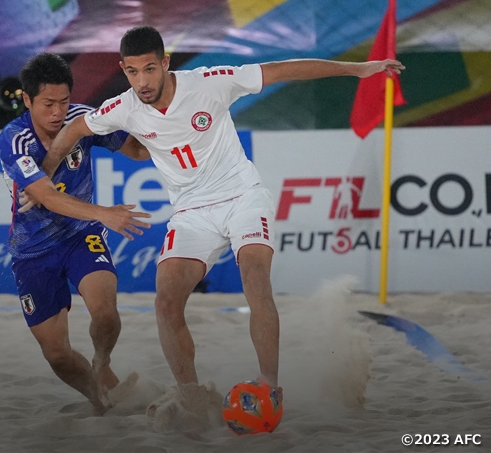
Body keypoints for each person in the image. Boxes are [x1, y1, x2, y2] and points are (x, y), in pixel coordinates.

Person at [41, 26, 405, 416]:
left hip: (242, 197)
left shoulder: (211, 83)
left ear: (165, 63)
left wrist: (358, 69)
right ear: (123, 70)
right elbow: (76, 129)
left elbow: (283, 70)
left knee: (254, 278)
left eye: (149, 69)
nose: (142, 81)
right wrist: (41, 178)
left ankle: (269, 389)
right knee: (165, 302)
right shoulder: (124, 107)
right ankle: (191, 394)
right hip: (191, 212)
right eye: (132, 72)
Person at [0, 52, 151, 415]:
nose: (57, 112)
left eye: (64, 102)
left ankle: (101, 362)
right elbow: (45, 197)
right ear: (27, 99)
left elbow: (139, 151)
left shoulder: (83, 118)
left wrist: (166, 125)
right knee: (58, 354)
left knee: (106, 314)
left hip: (81, 236)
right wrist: (105, 213)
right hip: (32, 252)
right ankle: (100, 398)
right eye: (48, 104)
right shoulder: (13, 141)